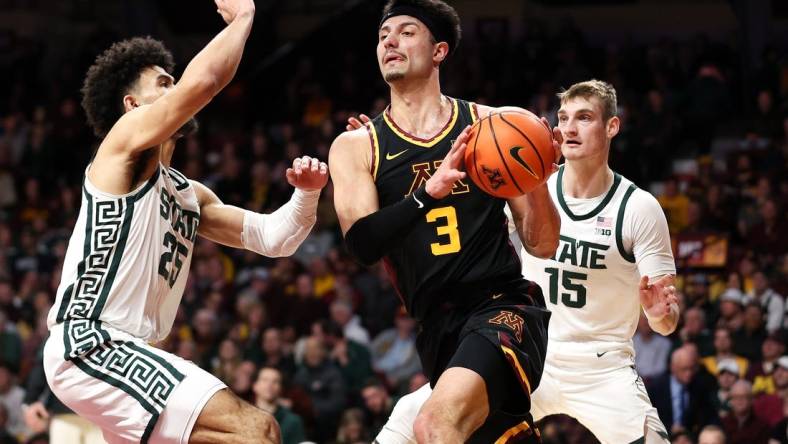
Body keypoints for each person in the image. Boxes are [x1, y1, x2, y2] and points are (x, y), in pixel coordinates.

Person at [42, 1, 329, 442]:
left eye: (174, 80)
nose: (176, 88)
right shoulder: (123, 149)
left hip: (131, 353)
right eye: (164, 83)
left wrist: (307, 194)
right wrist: (244, 19)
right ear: (133, 104)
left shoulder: (188, 194)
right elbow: (207, 80)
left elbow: (275, 239)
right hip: (92, 343)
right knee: (256, 429)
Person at [364, 80, 680, 443]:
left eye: (585, 117)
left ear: (612, 126)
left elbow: (668, 324)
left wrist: (657, 314)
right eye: (563, 118)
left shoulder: (639, 208)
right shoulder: (525, 178)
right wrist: (378, 160)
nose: (569, 129)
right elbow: (458, 205)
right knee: (411, 416)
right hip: (533, 351)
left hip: (603, 369)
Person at [329, 0, 561, 442]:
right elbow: (362, 246)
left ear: (439, 51)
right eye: (383, 35)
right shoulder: (357, 145)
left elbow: (543, 245)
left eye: (406, 32)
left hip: (502, 306)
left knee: (433, 424)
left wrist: (537, 178)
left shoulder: (490, 125)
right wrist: (427, 195)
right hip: (436, 326)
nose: (390, 41)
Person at [253, 367, 307, 444]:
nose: (270, 385)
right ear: (255, 386)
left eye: (275, 381)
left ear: (280, 388)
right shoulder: (243, 418)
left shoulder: (293, 421)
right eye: (265, 380)